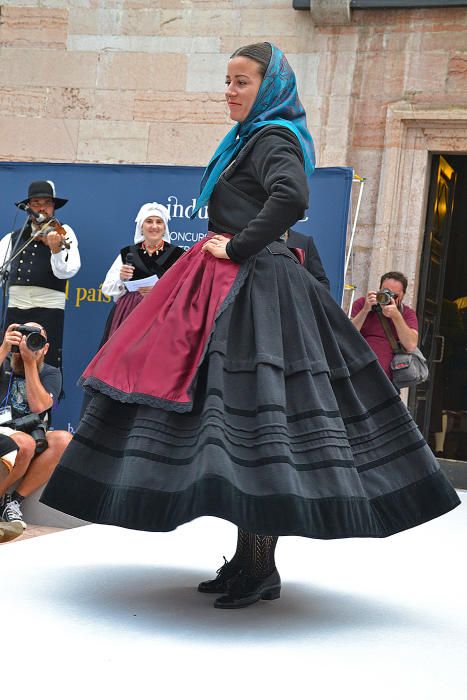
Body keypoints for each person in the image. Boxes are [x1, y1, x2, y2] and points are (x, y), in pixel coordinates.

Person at [42, 42, 459, 610]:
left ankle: (260, 566)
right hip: (238, 290)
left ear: (270, 88)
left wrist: (237, 246)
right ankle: (248, 561)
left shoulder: (273, 136)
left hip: (257, 290)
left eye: (242, 82)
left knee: (264, 425)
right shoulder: (249, 139)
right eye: (228, 80)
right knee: (241, 426)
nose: (229, 91)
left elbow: (291, 196)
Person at [0, 180, 81, 369]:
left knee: (44, 364)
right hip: (15, 310)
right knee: (10, 364)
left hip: (47, 311)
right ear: (28, 207)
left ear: (53, 207)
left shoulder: (64, 233)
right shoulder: (14, 237)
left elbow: (67, 271)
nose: (41, 208)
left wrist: (56, 250)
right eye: (36, 203)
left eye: (47, 203)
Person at [0, 322, 72, 531]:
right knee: (25, 443)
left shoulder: (51, 372)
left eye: (34, 341)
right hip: (5, 430)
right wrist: (5, 348)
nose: (27, 346)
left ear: (46, 348)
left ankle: (13, 502)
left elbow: (39, 406)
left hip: (31, 429)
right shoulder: (4, 361)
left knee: (63, 440)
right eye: (22, 339)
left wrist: (31, 364)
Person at [100, 202, 185, 343]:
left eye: (159, 222)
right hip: (129, 313)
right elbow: (107, 289)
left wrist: (160, 291)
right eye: (149, 221)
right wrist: (121, 279)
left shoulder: (178, 255)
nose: (154, 226)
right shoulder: (128, 253)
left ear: (164, 228)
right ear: (141, 226)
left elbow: (187, 288)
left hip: (163, 314)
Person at [350, 271, 419, 382]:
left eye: (394, 295)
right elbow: (347, 335)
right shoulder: (363, 303)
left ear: (403, 295)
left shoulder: (407, 313)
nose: (388, 297)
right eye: (385, 292)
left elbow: (411, 345)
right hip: (358, 371)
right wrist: (365, 310)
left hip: (387, 380)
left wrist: (396, 316)